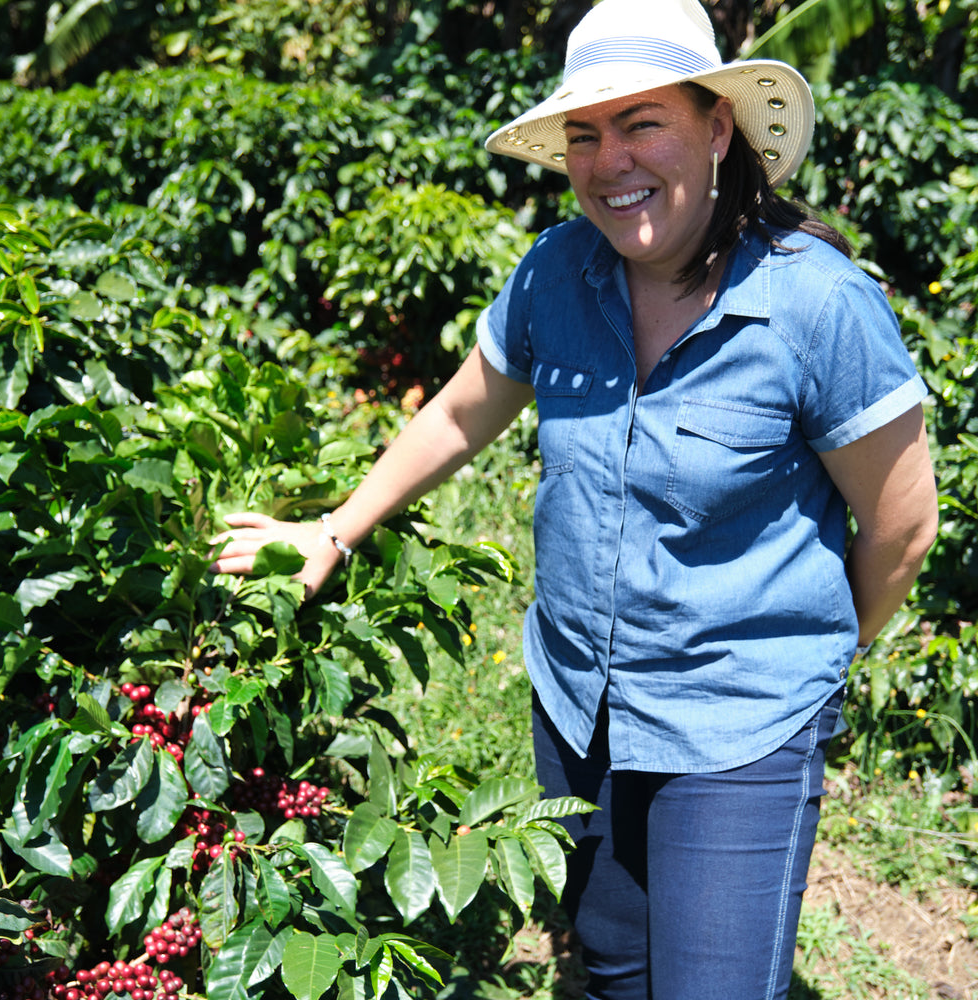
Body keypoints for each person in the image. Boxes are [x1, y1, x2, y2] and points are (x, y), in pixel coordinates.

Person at [210, 0, 939, 996]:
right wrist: (333, 528)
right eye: (585, 135)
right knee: (613, 966)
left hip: (739, 731)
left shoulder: (815, 303)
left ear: (715, 127)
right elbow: (462, 413)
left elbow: (901, 523)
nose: (608, 161)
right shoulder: (560, 271)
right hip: (579, 708)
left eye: (642, 124)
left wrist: (800, 670)